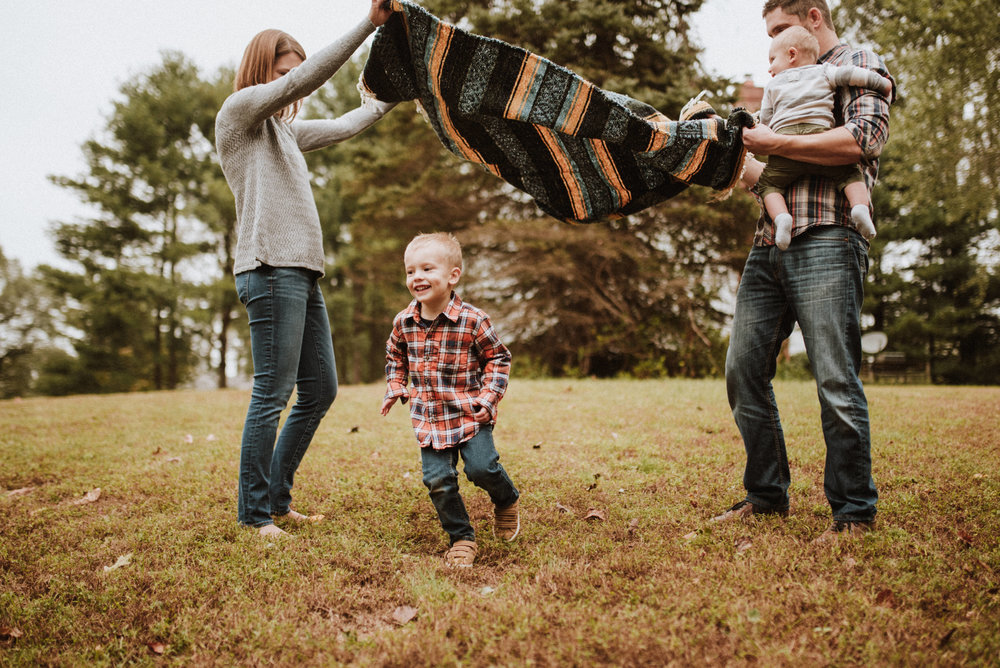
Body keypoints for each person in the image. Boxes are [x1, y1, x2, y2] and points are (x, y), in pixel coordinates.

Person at [215, 0, 396, 537]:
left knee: (320, 390)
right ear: (261, 74)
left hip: (302, 272)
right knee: (273, 392)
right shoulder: (239, 115)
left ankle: (275, 501)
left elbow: (343, 125)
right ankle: (253, 516)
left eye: (294, 72)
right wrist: (369, 25)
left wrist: (387, 99)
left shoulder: (286, 135)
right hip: (269, 268)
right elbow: (311, 79)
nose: (294, 84)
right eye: (284, 75)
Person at [716, 0, 894, 543]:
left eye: (778, 31)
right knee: (743, 371)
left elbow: (864, 140)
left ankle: (854, 513)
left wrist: (777, 144)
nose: (773, 46)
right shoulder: (783, 83)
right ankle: (767, 498)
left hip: (833, 238)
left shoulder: (859, 62)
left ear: (812, 17)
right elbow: (762, 167)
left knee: (835, 378)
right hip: (771, 240)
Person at [381, 233, 520, 568]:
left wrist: (488, 399)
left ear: (452, 275)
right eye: (411, 271)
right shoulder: (404, 322)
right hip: (430, 417)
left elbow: (498, 359)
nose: (417, 277)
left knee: (481, 468)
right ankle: (461, 537)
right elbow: (394, 357)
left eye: (427, 268)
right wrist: (396, 385)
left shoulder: (474, 319)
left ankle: (506, 499)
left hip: (470, 413)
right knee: (438, 481)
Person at [757, 25, 893, 250]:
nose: (770, 67)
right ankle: (859, 207)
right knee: (850, 174)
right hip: (819, 137)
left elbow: (765, 122)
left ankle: (781, 218)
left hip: (785, 147)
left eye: (772, 59)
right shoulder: (825, 71)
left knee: (768, 185)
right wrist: (881, 83)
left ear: (792, 54)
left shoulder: (772, 85)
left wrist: (765, 137)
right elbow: (852, 75)